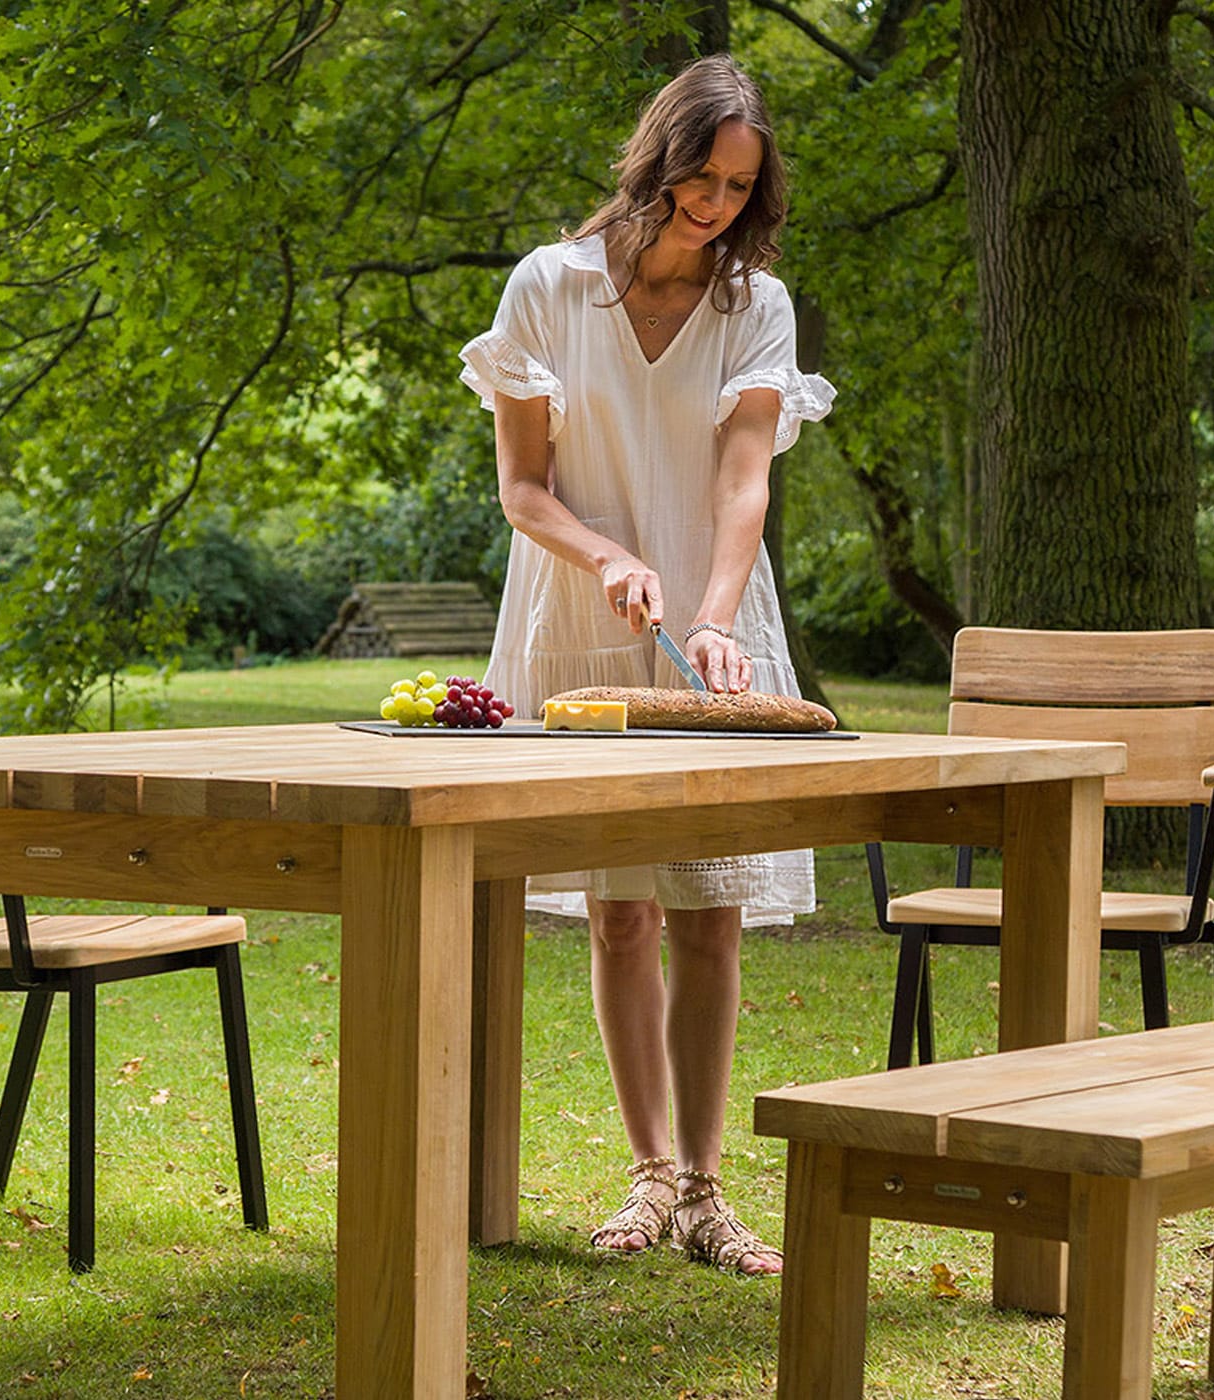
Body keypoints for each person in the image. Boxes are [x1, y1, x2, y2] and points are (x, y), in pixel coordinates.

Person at [458, 54, 834, 1277]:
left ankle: (712, 1190)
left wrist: (716, 614)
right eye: (700, 176)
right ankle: (650, 1174)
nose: (715, 203)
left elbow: (742, 477)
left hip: (708, 621)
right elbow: (522, 488)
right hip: (577, 610)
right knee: (619, 909)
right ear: (658, 158)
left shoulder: (753, 308)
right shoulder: (548, 289)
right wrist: (607, 551)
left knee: (709, 908)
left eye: (738, 184)